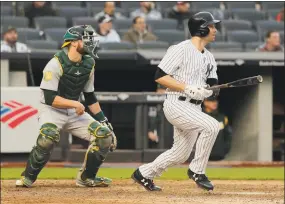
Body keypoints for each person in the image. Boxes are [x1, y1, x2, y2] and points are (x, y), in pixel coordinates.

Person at [15, 25, 117, 188]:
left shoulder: (89, 63)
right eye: (87, 39)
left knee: (104, 136)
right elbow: (49, 98)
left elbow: (90, 96)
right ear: (75, 43)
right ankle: (28, 177)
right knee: (47, 138)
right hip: (52, 110)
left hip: (74, 112)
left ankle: (86, 178)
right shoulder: (55, 64)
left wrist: (104, 121)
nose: (91, 43)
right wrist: (75, 103)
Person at [131, 11, 221, 192]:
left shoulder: (209, 56)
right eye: (211, 26)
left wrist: (210, 91)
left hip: (194, 108)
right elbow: (160, 76)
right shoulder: (180, 48)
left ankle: (144, 173)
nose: (215, 30)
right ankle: (197, 171)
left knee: (180, 154)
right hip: (176, 103)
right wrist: (187, 88)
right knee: (211, 126)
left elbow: (213, 86)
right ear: (201, 29)